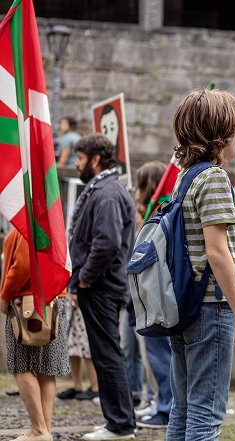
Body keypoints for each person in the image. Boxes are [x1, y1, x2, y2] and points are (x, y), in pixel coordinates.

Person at [167, 88, 235, 440]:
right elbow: (217, 253)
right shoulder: (215, 178)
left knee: (183, 409)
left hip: (183, 307)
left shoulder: (184, 178)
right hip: (210, 307)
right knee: (206, 414)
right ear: (221, 134)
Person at [69, 134, 137, 440]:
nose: (76, 164)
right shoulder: (104, 189)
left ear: (96, 159)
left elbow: (106, 242)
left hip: (101, 286)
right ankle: (117, 421)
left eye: (80, 159)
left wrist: (85, 276)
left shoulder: (107, 192)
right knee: (105, 353)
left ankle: (120, 424)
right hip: (101, 285)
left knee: (107, 354)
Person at [0, 228, 70, 441]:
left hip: (26, 303)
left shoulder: (26, 221)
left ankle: (39, 430)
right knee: (46, 369)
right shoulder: (49, 216)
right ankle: (44, 430)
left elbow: (23, 265)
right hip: (52, 299)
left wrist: (5, 295)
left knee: (21, 365)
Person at [131, 160, 173, 430]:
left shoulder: (159, 208)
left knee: (161, 354)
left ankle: (166, 407)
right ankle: (161, 402)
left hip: (158, 290)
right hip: (153, 290)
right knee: (155, 355)